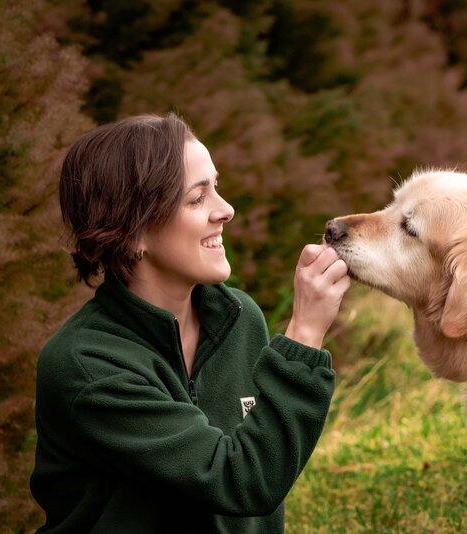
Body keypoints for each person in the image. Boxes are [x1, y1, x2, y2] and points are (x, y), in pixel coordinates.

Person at [30, 113, 350, 533]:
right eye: (197, 198)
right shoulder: (87, 366)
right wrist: (304, 334)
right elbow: (241, 481)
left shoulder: (239, 320)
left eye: (217, 187)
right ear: (132, 233)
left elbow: (264, 472)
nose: (226, 210)